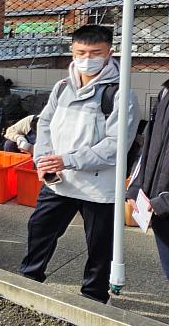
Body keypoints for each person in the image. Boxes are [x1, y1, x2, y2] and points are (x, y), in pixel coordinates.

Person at [20, 25, 139, 304]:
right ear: (72, 52)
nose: (87, 58)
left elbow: (115, 146)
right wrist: (43, 158)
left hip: (98, 187)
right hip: (59, 181)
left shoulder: (120, 94)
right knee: (39, 229)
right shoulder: (63, 87)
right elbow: (46, 123)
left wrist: (68, 160)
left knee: (99, 246)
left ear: (109, 52)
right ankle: (29, 278)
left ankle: (94, 297)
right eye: (81, 52)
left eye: (95, 53)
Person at [127, 79, 169, 281]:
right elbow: (148, 148)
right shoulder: (165, 93)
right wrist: (136, 188)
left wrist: (164, 201)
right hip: (159, 209)